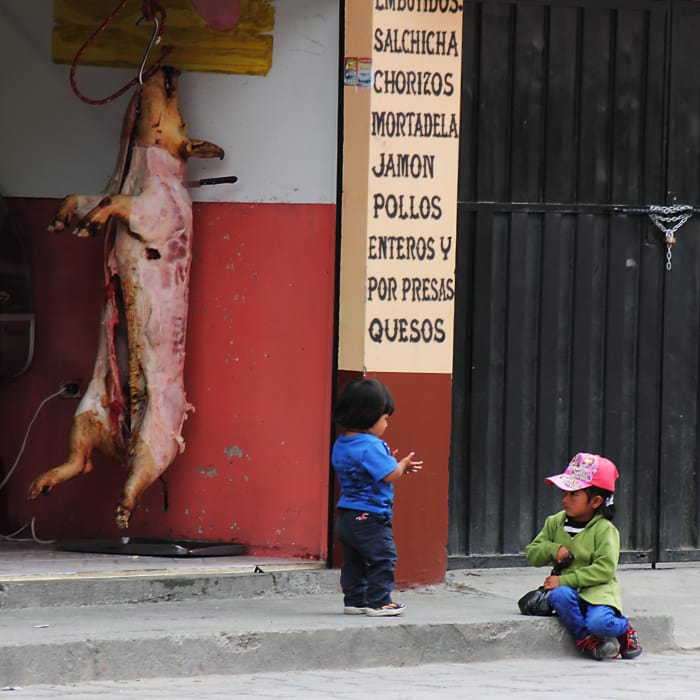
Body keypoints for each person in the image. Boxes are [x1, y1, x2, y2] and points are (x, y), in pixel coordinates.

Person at [525, 452, 643, 660]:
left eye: (573, 494)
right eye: (564, 492)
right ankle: (586, 640)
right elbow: (532, 555)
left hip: (599, 593)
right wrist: (553, 549)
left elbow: (605, 570)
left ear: (596, 501)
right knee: (559, 595)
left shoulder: (605, 530)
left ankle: (624, 627)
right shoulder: (554, 522)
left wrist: (563, 579)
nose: (565, 499)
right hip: (570, 593)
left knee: (600, 623)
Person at [331, 378, 422, 617]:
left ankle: (355, 599)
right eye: (384, 419)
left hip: (347, 516)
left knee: (354, 561)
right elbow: (390, 474)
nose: (386, 424)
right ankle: (379, 601)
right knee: (383, 557)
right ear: (369, 417)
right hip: (371, 516)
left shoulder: (342, 443)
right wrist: (400, 464)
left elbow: (362, 469)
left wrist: (386, 461)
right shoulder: (372, 445)